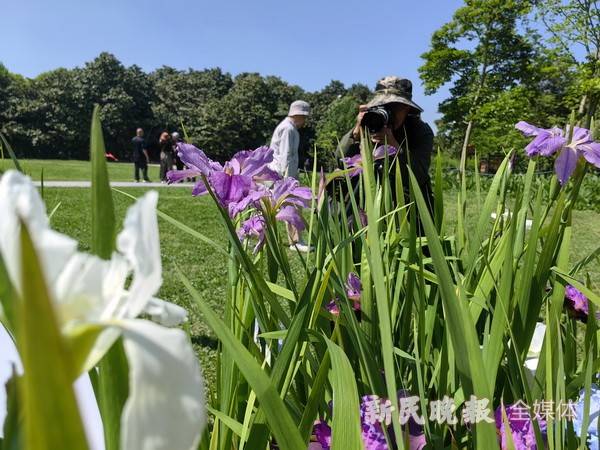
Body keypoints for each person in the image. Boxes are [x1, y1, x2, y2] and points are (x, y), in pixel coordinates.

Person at [337, 76, 435, 225]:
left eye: (395, 106)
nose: (389, 111)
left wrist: (394, 145)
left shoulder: (420, 131)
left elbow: (419, 174)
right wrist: (356, 134)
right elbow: (340, 158)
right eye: (382, 105)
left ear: (407, 108)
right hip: (367, 200)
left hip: (407, 205)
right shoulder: (370, 123)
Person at [269, 100, 312, 252]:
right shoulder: (288, 129)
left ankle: (296, 239)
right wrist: (288, 181)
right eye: (304, 117)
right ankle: (295, 241)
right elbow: (286, 155)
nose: (305, 121)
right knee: (292, 207)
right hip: (283, 175)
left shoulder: (288, 127)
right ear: (298, 115)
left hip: (284, 174)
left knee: (290, 207)